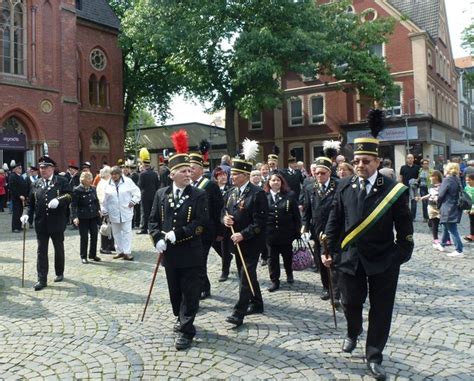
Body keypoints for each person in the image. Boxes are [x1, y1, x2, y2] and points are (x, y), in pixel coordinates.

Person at [324, 128, 414, 380]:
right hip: (350, 258)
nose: (360, 165)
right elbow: (335, 219)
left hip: (383, 259)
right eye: (356, 161)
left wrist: (401, 253)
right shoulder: (344, 185)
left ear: (376, 162)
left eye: (365, 161)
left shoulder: (393, 190)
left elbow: (404, 225)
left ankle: (374, 355)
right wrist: (330, 248)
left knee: (381, 309)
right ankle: (353, 331)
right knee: (350, 302)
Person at [148, 139, 209, 350]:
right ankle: (180, 317)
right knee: (175, 291)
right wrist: (156, 239)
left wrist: (179, 233)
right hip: (170, 254)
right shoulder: (161, 194)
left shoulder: (199, 195)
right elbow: (153, 220)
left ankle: (186, 330)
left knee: (190, 291)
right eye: (182, 170)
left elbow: (201, 224)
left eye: (189, 170)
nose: (188, 173)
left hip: (191, 252)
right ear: (172, 174)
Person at [223, 144, 268, 327]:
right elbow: (223, 211)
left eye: (235, 174)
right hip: (236, 242)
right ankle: (257, 303)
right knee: (247, 274)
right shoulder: (231, 192)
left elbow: (260, 222)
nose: (231, 177)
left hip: (251, 242)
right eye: (231, 174)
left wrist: (243, 234)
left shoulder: (257, 194)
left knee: (245, 276)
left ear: (245, 175)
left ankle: (238, 312)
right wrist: (224, 219)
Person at [21, 155, 72, 291]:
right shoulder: (35, 183)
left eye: (45, 167)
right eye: (41, 168)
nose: (42, 170)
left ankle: (59, 272)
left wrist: (59, 200)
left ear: (52, 168)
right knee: (41, 251)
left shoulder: (61, 181)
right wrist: (26, 215)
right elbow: (30, 204)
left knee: (58, 249)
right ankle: (41, 279)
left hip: (57, 222)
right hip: (41, 223)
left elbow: (69, 195)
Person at [302, 156, 340, 302]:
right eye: (316, 173)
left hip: (335, 229)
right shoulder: (310, 187)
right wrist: (304, 227)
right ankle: (326, 287)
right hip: (318, 230)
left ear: (329, 172)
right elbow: (306, 210)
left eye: (323, 173)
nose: (319, 176)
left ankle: (336, 291)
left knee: (335, 260)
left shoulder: (338, 185)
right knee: (321, 260)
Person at [189, 152, 224, 300]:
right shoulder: (188, 186)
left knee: (200, 260)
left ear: (201, 169)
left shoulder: (210, 186)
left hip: (207, 231)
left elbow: (219, 209)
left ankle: (204, 288)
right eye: (188, 169)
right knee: (195, 261)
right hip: (191, 231)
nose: (190, 171)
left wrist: (220, 231)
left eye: (193, 168)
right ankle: (201, 286)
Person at [264, 171, 300, 292]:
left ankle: (289, 274)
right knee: (272, 259)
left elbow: (296, 215)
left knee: (287, 256)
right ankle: (275, 280)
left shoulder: (289, 195)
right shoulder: (264, 196)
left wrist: (297, 231)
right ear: (269, 182)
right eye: (273, 180)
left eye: (278, 180)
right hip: (270, 234)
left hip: (286, 233)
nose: (276, 182)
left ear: (282, 182)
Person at [101, 166, 141, 261]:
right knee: (116, 233)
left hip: (125, 210)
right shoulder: (107, 184)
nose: (114, 176)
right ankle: (119, 251)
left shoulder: (128, 182)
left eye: (116, 174)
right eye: (112, 174)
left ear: (120, 174)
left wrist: (133, 201)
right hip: (113, 212)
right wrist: (104, 210)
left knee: (126, 233)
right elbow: (104, 200)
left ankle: (127, 252)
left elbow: (137, 192)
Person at [71, 171, 101, 264]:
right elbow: (73, 205)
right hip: (82, 217)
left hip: (93, 216)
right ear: (83, 180)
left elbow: (96, 201)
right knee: (84, 237)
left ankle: (92, 254)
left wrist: (98, 210)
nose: (91, 180)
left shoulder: (92, 189)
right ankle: (83, 256)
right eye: (88, 179)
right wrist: (75, 217)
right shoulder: (77, 190)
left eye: (91, 178)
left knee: (94, 236)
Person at [437, 162, 464, 257]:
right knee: (445, 224)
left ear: (448, 169)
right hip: (455, 206)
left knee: (452, 229)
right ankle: (442, 244)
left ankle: (459, 249)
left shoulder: (447, 180)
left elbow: (441, 194)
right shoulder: (457, 179)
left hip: (447, 206)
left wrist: (437, 203)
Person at [211, 166, 233, 281]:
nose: (224, 177)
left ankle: (225, 271)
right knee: (214, 243)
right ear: (216, 178)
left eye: (225, 175)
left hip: (226, 223)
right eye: (220, 175)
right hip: (215, 222)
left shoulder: (231, 189)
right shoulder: (213, 188)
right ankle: (228, 258)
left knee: (224, 247)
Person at [417, 170, 443, 250]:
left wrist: (437, 198)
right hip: (431, 206)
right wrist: (421, 198)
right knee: (434, 224)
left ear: (436, 177)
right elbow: (430, 194)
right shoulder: (431, 186)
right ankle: (436, 240)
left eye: (431, 176)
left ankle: (447, 239)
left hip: (439, 207)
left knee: (443, 223)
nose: (430, 178)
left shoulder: (442, 186)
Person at [137, 149, 160, 234]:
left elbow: (140, 185)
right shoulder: (154, 173)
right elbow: (158, 184)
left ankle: (144, 228)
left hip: (145, 195)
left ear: (143, 164)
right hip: (153, 195)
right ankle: (151, 228)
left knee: (144, 212)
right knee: (151, 212)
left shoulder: (142, 174)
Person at [8, 162, 28, 233]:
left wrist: (25, 196)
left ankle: (19, 226)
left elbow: (23, 186)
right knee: (16, 213)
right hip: (16, 198)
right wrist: (19, 195)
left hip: (21, 198)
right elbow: (13, 188)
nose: (21, 169)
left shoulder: (20, 176)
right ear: (15, 169)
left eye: (21, 168)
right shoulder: (13, 176)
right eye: (19, 168)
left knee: (20, 212)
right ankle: (15, 227)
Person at [399, 154, 420, 220]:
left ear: (413, 159)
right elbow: (401, 177)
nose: (410, 159)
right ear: (406, 159)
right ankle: (407, 216)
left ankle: (413, 217)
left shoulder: (417, 167)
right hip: (405, 187)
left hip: (414, 188)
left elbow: (419, 177)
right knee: (406, 203)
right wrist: (401, 184)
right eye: (408, 158)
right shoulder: (403, 167)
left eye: (411, 158)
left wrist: (416, 182)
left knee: (414, 202)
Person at [464, 173, 474, 242]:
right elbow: (465, 198)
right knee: (472, 221)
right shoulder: (466, 188)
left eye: (469, 180)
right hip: (470, 208)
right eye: (466, 180)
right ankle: (472, 235)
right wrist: (466, 208)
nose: (467, 182)